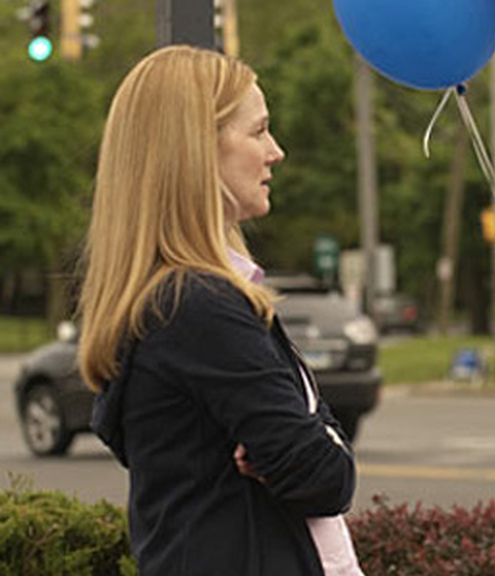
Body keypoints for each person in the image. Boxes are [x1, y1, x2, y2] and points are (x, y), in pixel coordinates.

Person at [78, 45, 362, 575]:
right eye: (258, 131)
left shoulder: (173, 298)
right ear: (196, 149)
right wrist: (316, 437)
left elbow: (305, 455)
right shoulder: (197, 305)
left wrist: (306, 436)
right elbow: (326, 477)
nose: (275, 151)